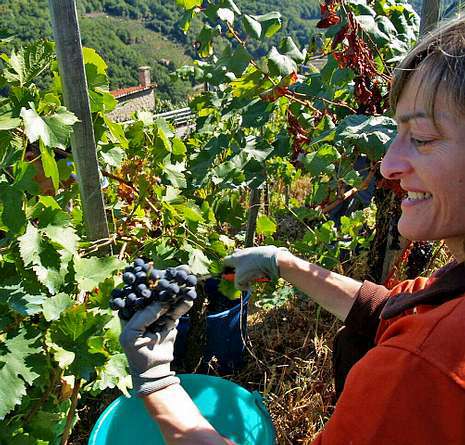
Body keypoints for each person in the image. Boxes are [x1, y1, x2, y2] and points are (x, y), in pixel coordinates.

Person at [119, 17, 465, 444]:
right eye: (397, 132)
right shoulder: (450, 302)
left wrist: (157, 384)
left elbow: (421, 338)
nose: (388, 165)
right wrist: (282, 263)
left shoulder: (420, 368)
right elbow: (399, 310)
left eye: (424, 138)